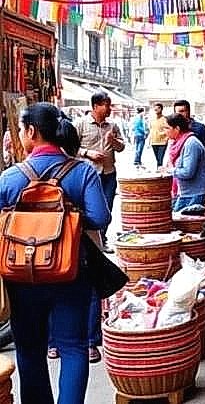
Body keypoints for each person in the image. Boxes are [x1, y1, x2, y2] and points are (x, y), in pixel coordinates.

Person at [0, 103, 110, 404]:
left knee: (29, 348)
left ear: (31, 131)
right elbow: (100, 217)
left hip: (22, 276)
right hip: (71, 272)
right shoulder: (82, 172)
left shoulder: (10, 178)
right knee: (73, 347)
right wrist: (68, 218)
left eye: (21, 130)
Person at [75, 91, 124, 245]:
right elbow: (70, 148)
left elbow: (121, 147)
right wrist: (87, 153)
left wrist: (113, 141)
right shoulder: (80, 124)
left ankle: (102, 238)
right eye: (106, 105)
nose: (109, 108)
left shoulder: (113, 126)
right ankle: (89, 240)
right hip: (88, 174)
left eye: (109, 105)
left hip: (109, 173)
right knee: (89, 207)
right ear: (95, 106)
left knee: (107, 206)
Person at [164, 113, 205, 211]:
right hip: (186, 193)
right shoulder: (179, 142)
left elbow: (187, 172)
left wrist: (170, 170)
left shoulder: (191, 143)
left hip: (195, 195)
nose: (164, 131)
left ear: (177, 129)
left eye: (167, 128)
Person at [149, 103, 168, 167]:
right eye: (155, 108)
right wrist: (150, 140)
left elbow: (168, 129)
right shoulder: (152, 119)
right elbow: (151, 129)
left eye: (158, 108)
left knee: (160, 159)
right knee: (157, 159)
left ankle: (159, 170)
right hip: (154, 142)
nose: (156, 109)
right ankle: (159, 169)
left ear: (161, 109)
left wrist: (166, 138)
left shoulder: (165, 119)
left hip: (162, 142)